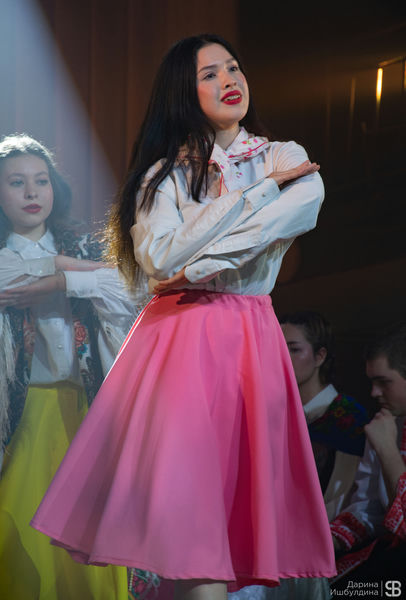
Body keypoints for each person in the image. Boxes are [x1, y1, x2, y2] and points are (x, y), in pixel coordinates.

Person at [31, 34, 336, 600]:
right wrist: (253, 198)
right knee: (187, 530)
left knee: (231, 516)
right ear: (183, 92)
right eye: (209, 73)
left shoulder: (283, 157)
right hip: (179, 337)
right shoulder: (162, 176)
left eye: (234, 67)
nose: (230, 80)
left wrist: (197, 263)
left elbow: (294, 215)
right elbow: (158, 258)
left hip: (249, 334)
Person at [0, 133, 148, 600]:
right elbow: (11, 274)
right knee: (20, 539)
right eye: (16, 182)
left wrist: (63, 279)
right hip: (25, 416)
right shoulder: (8, 256)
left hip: (89, 408)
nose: (31, 192)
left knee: (88, 543)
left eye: (41, 180)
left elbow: (135, 288)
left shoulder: (87, 246)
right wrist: (71, 273)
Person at [330, 324, 406, 588]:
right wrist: (331, 540)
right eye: (372, 382)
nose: (374, 393)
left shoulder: (384, 433)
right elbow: (371, 507)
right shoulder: (387, 424)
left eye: (384, 382)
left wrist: (388, 450)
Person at [280, 311, 368, 520]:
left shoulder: (346, 415)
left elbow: (343, 496)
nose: (282, 357)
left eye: (294, 349)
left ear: (319, 356)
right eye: (277, 348)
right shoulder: (273, 412)